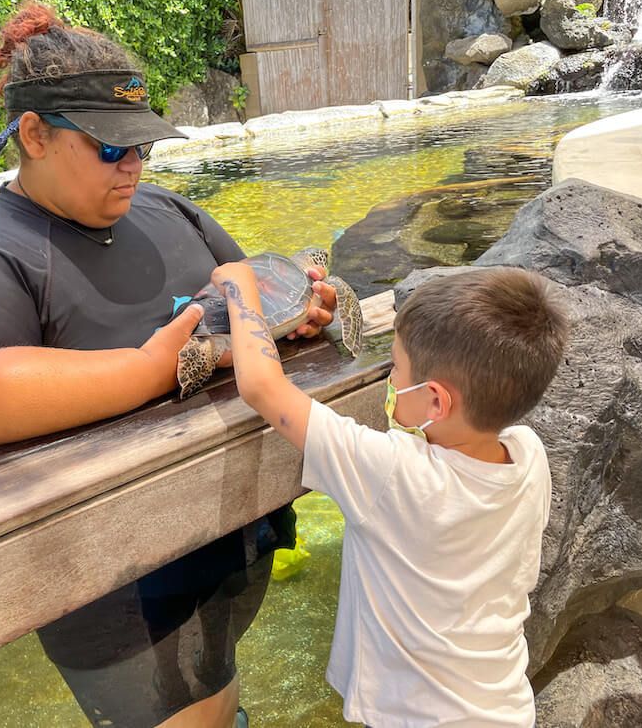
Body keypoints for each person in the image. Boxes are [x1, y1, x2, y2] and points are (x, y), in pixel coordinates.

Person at [0, 0, 340, 728]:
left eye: (142, 148)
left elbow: (244, 285)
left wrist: (297, 317)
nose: (132, 167)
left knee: (217, 697)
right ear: (32, 134)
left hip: (224, 531)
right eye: (109, 148)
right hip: (110, 577)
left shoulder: (168, 211)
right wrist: (149, 370)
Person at [211, 264, 569, 727]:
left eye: (396, 369)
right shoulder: (527, 454)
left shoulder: (393, 473)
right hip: (502, 705)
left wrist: (242, 287)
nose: (389, 380)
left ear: (436, 401)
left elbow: (262, 386)